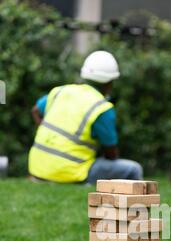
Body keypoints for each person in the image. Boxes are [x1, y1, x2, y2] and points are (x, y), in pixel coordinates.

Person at [28, 51, 143, 183]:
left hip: (38, 169)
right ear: (110, 82)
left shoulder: (61, 91)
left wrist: (43, 129)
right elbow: (111, 154)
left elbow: (35, 111)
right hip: (72, 173)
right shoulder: (102, 108)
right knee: (133, 169)